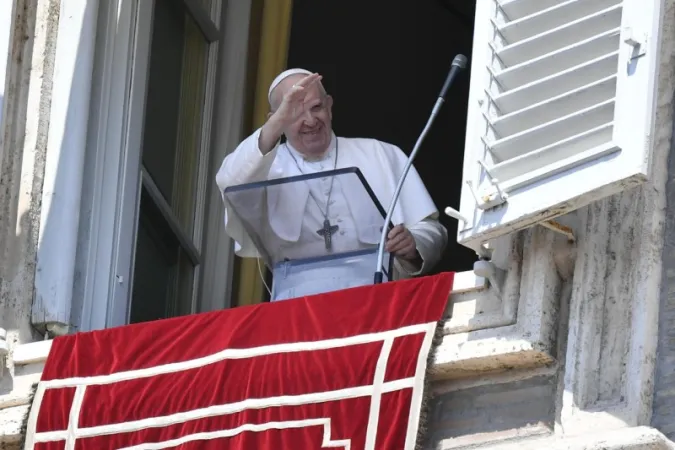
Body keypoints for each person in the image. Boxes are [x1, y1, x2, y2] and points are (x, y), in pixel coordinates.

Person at [216, 68, 447, 299]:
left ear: (329, 106)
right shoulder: (262, 168)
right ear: (276, 120)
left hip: (378, 298)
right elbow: (229, 183)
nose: (310, 120)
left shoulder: (380, 154)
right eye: (294, 113)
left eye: (316, 107)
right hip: (297, 305)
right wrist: (276, 125)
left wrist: (414, 245)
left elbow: (432, 230)